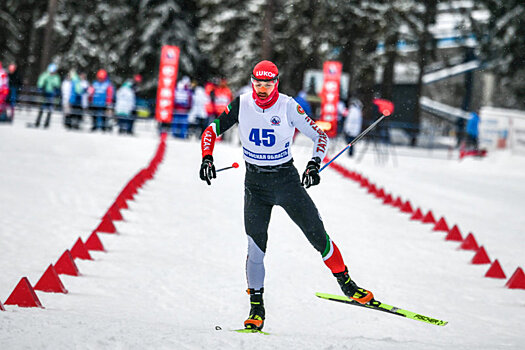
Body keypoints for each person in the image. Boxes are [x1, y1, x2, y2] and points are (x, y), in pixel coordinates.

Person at [198, 60, 374, 332]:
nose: (263, 88)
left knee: (318, 236)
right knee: (255, 249)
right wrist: (207, 159)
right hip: (255, 185)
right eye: (258, 82)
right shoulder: (242, 103)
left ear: (276, 83)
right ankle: (256, 307)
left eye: (268, 83)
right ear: (252, 81)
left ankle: (347, 284)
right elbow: (211, 131)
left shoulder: (288, 105)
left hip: (286, 181)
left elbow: (319, 136)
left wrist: (314, 164)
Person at [34, 63, 61, 128]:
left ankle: (47, 123)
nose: (52, 73)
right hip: (44, 93)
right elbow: (40, 83)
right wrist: (41, 87)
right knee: (42, 107)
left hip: (52, 94)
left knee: (50, 108)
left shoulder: (56, 77)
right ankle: (38, 122)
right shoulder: (45, 75)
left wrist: (55, 86)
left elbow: (57, 84)